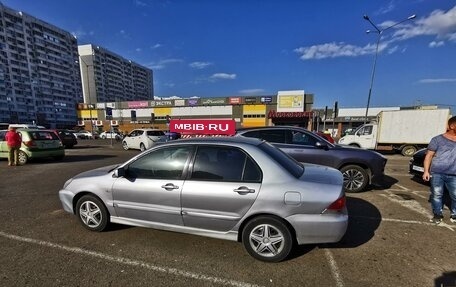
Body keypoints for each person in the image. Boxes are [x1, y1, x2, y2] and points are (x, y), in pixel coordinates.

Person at [422, 116, 456, 224]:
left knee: (455, 195)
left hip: (454, 174)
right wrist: (426, 171)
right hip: (437, 173)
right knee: (437, 194)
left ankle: (454, 214)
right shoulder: (437, 139)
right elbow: (429, 156)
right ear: (451, 126)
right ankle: (437, 214)